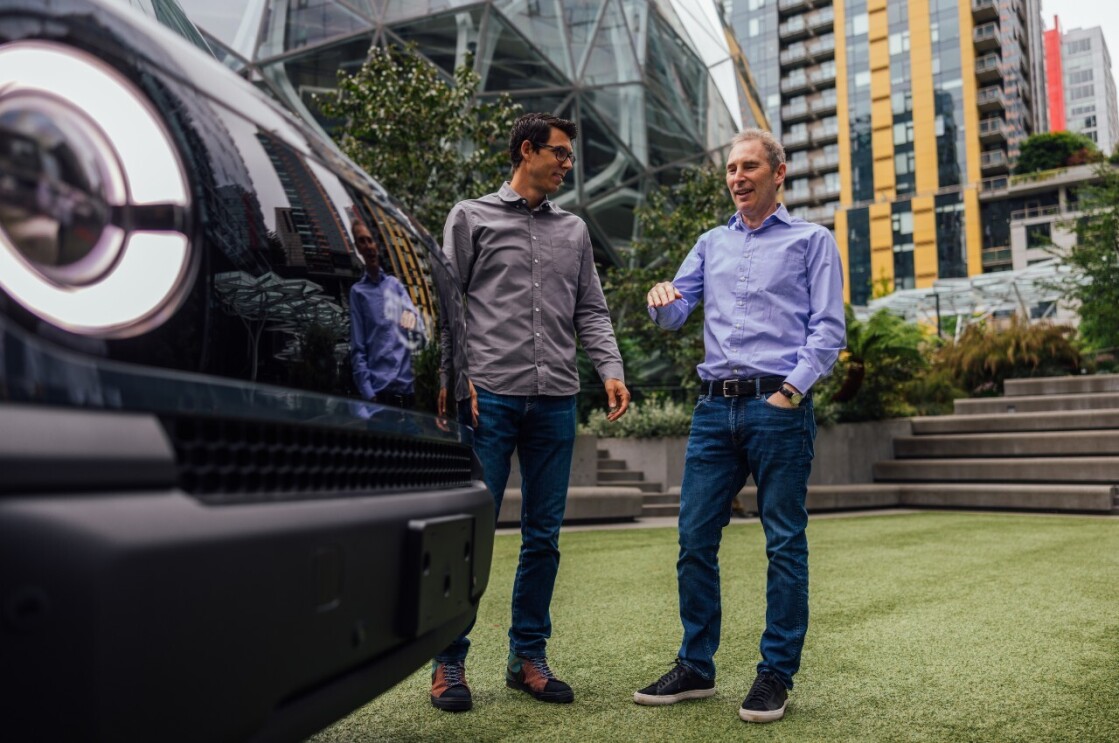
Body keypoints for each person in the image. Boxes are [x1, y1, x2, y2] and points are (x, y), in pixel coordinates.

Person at [632, 128, 845, 723]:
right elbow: (675, 314)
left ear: (779, 173)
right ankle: (696, 667)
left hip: (776, 408)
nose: (736, 177)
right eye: (730, 168)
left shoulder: (812, 241)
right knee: (694, 540)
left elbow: (828, 330)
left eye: (749, 166)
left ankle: (775, 674)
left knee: (783, 542)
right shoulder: (709, 243)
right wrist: (660, 298)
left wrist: (789, 391)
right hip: (711, 410)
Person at [430, 112, 630, 713]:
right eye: (561, 154)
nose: (568, 164)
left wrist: (611, 368)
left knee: (543, 537)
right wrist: (452, 375)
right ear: (527, 151)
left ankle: (527, 659)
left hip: (555, 400)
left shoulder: (573, 231)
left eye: (568, 156)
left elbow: (590, 309)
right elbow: (449, 303)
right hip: (487, 395)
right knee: (472, 534)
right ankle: (448, 662)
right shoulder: (471, 216)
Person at [349, 220, 423, 408]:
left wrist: (411, 316)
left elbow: (415, 320)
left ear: (376, 245)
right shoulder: (357, 293)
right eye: (362, 242)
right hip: (379, 399)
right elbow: (358, 349)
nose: (368, 246)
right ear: (357, 248)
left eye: (370, 240)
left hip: (407, 397)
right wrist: (369, 394)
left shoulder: (395, 285)